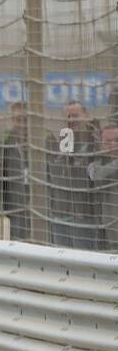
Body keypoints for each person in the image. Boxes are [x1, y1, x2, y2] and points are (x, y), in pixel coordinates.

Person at [45, 101, 100, 248]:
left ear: (87, 116)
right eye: (68, 116)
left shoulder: (96, 142)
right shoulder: (65, 140)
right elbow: (55, 175)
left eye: (75, 115)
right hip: (61, 212)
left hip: (85, 215)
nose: (72, 120)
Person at [0, 102, 30, 241]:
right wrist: (5, 205)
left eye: (25, 120)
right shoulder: (4, 142)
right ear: (12, 121)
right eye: (18, 120)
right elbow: (0, 177)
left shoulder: (40, 140)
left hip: (37, 203)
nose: (21, 124)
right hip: (15, 204)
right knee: (18, 242)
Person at [87, 125, 118, 252]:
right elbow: (95, 174)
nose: (113, 144)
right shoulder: (96, 161)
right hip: (108, 230)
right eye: (107, 141)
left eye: (116, 140)